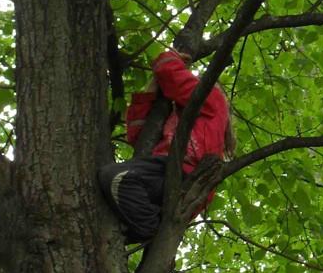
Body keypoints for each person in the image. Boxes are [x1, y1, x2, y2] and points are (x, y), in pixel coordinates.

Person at [99, 49, 234, 243]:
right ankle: (144, 228)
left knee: (113, 176)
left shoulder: (212, 98)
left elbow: (169, 74)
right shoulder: (175, 117)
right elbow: (138, 136)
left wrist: (173, 58)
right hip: (166, 177)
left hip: (183, 173)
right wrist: (151, 90)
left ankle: (149, 228)